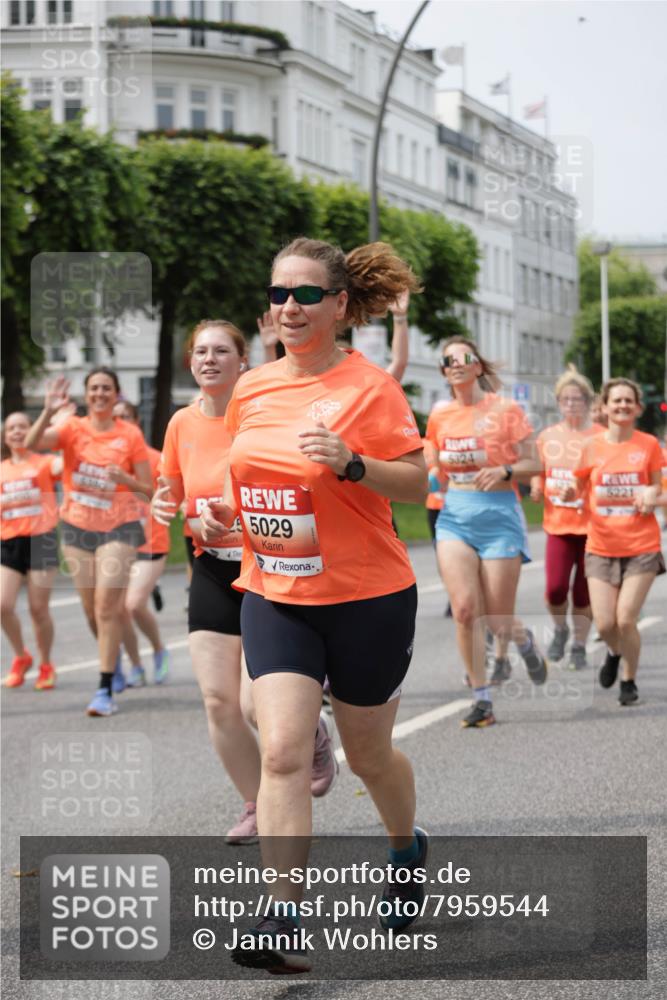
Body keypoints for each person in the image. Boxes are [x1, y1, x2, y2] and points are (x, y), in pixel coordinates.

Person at [200, 238, 427, 974]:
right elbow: (257, 488)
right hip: (276, 593)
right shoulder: (254, 387)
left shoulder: (371, 388)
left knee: (367, 756)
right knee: (282, 749)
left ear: (338, 305)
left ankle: (404, 846)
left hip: (367, 597)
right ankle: (283, 915)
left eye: (303, 295)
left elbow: (417, 485)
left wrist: (353, 463)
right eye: (277, 295)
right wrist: (219, 524)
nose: (287, 307)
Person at [426, 336, 547, 729]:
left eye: (464, 357)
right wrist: (427, 475)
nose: (457, 363)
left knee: (498, 620)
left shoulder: (506, 409)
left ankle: (524, 642)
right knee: (464, 610)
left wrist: (506, 471)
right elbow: (433, 466)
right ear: (444, 371)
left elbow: (535, 462)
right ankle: (482, 699)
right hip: (455, 516)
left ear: (477, 366)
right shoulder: (440, 416)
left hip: (499, 516)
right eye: (449, 360)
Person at [24, 368, 152, 716]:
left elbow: (147, 487)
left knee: (107, 607)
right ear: (86, 393)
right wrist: (49, 411)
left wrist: (124, 478)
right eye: (94, 388)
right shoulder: (71, 428)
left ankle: (104, 687)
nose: (99, 393)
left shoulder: (130, 434)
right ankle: (114, 663)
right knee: (90, 610)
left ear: (116, 394)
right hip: (78, 527)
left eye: (106, 388)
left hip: (120, 527)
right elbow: (32, 443)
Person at [562, 378, 664, 706]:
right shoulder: (591, 447)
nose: (622, 406)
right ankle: (614, 651)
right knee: (605, 623)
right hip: (601, 547)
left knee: (625, 618)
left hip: (641, 546)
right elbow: (578, 485)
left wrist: (655, 495)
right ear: (604, 407)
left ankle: (629, 680)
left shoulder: (648, 445)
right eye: (615, 401)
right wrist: (569, 493)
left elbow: (662, 489)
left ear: (637, 407)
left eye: (628, 401)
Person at [530, 367, 604, 669]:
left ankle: (579, 645)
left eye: (577, 399)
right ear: (559, 403)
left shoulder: (601, 437)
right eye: (566, 399)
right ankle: (560, 629)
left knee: (583, 593)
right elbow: (539, 473)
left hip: (593, 528)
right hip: (558, 525)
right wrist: (537, 487)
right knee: (555, 588)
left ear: (587, 402)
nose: (571, 404)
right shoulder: (548, 436)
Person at [1, 412, 61, 690]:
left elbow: (67, 462)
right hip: (9, 541)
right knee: (3, 605)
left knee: (39, 609)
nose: (16, 432)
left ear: (32, 430)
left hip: (41, 540)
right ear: (5, 436)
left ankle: (46, 664)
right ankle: (20, 656)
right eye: (11, 428)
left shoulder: (45, 463)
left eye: (22, 426)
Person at [112, 401, 170, 687]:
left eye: (126, 417)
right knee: (117, 608)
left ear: (136, 422)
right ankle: (135, 664)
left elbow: (163, 497)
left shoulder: (156, 459)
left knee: (133, 605)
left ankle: (159, 649)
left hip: (152, 541)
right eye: (116, 418)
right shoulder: (107, 460)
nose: (121, 422)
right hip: (117, 542)